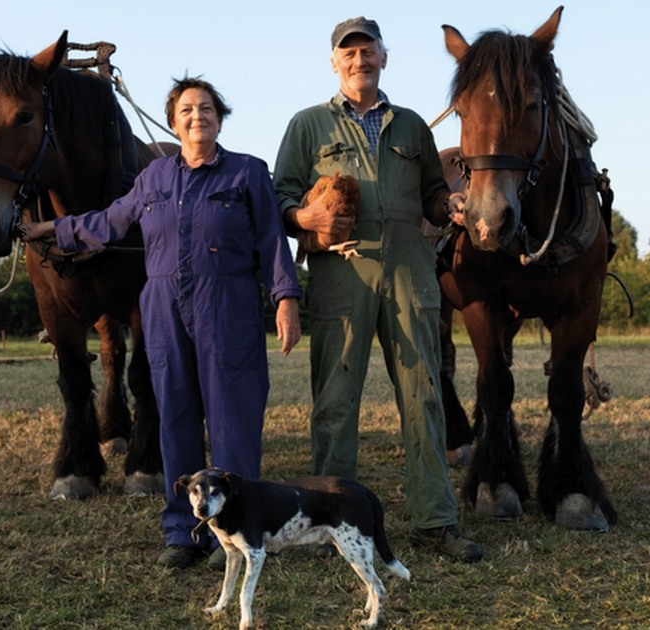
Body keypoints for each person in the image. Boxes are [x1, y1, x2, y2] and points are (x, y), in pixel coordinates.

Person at [21, 76, 302, 570]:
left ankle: (231, 534)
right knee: (173, 415)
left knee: (232, 418)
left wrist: (285, 297)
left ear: (220, 117)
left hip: (228, 302)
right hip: (163, 304)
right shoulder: (152, 180)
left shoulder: (247, 173)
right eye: (187, 110)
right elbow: (109, 221)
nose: (198, 117)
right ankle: (183, 529)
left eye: (207, 108)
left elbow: (272, 243)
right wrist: (53, 228)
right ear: (173, 122)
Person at [272, 17, 481, 561]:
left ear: (384, 59)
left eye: (368, 51)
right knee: (335, 404)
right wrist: (306, 216)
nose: (359, 60)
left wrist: (450, 206)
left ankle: (435, 523)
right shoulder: (307, 125)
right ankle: (327, 523)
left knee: (425, 397)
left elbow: (436, 195)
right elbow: (279, 201)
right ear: (335, 64)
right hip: (342, 272)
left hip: (411, 273)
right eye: (349, 53)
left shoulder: (412, 126)